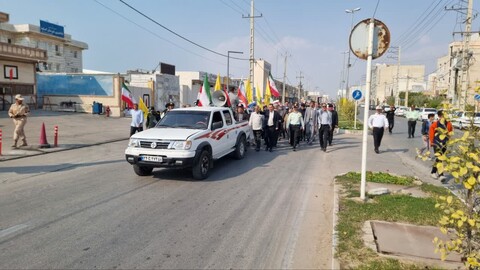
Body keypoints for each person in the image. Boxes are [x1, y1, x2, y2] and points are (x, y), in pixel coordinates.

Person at [429, 110, 453, 182]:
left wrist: (449, 139)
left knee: (441, 158)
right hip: (436, 143)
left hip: (444, 143)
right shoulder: (435, 124)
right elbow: (431, 132)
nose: (444, 117)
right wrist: (432, 142)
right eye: (443, 115)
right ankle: (441, 175)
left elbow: (450, 132)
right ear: (439, 116)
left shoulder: (448, 124)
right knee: (439, 158)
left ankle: (433, 172)